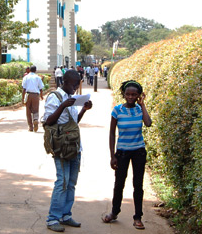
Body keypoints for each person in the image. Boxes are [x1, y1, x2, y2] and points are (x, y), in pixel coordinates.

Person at [43, 70, 93, 232]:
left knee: (71, 183)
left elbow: (73, 123)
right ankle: (52, 219)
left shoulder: (72, 98)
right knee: (62, 182)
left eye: (77, 85)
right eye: (73, 85)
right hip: (61, 147)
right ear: (64, 82)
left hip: (74, 145)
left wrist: (83, 109)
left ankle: (65, 215)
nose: (75, 88)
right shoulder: (54, 97)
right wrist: (63, 106)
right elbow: (48, 121)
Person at [102, 80, 152, 230]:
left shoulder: (139, 110)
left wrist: (143, 105)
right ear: (123, 94)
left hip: (138, 151)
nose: (130, 97)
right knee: (119, 184)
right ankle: (114, 212)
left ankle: (138, 217)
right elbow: (111, 133)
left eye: (134, 94)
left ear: (138, 95)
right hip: (122, 152)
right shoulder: (117, 110)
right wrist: (112, 155)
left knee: (138, 185)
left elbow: (148, 123)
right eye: (128, 94)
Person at [21, 65, 44, 132]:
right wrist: (41, 96)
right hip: (36, 95)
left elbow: (24, 89)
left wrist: (22, 99)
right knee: (35, 110)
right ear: (35, 70)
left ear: (29, 70)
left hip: (28, 95)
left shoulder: (26, 77)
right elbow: (41, 88)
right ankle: (35, 119)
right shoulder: (38, 78)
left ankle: (30, 127)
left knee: (28, 111)